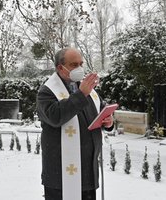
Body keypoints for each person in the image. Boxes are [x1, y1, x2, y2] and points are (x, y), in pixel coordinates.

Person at [36, 48, 114, 200]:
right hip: (60, 172)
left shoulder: (85, 87)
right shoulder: (46, 92)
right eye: (73, 64)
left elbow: (101, 109)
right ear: (60, 67)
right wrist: (81, 94)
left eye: (81, 64)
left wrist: (109, 121)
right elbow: (56, 117)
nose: (79, 68)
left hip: (87, 170)